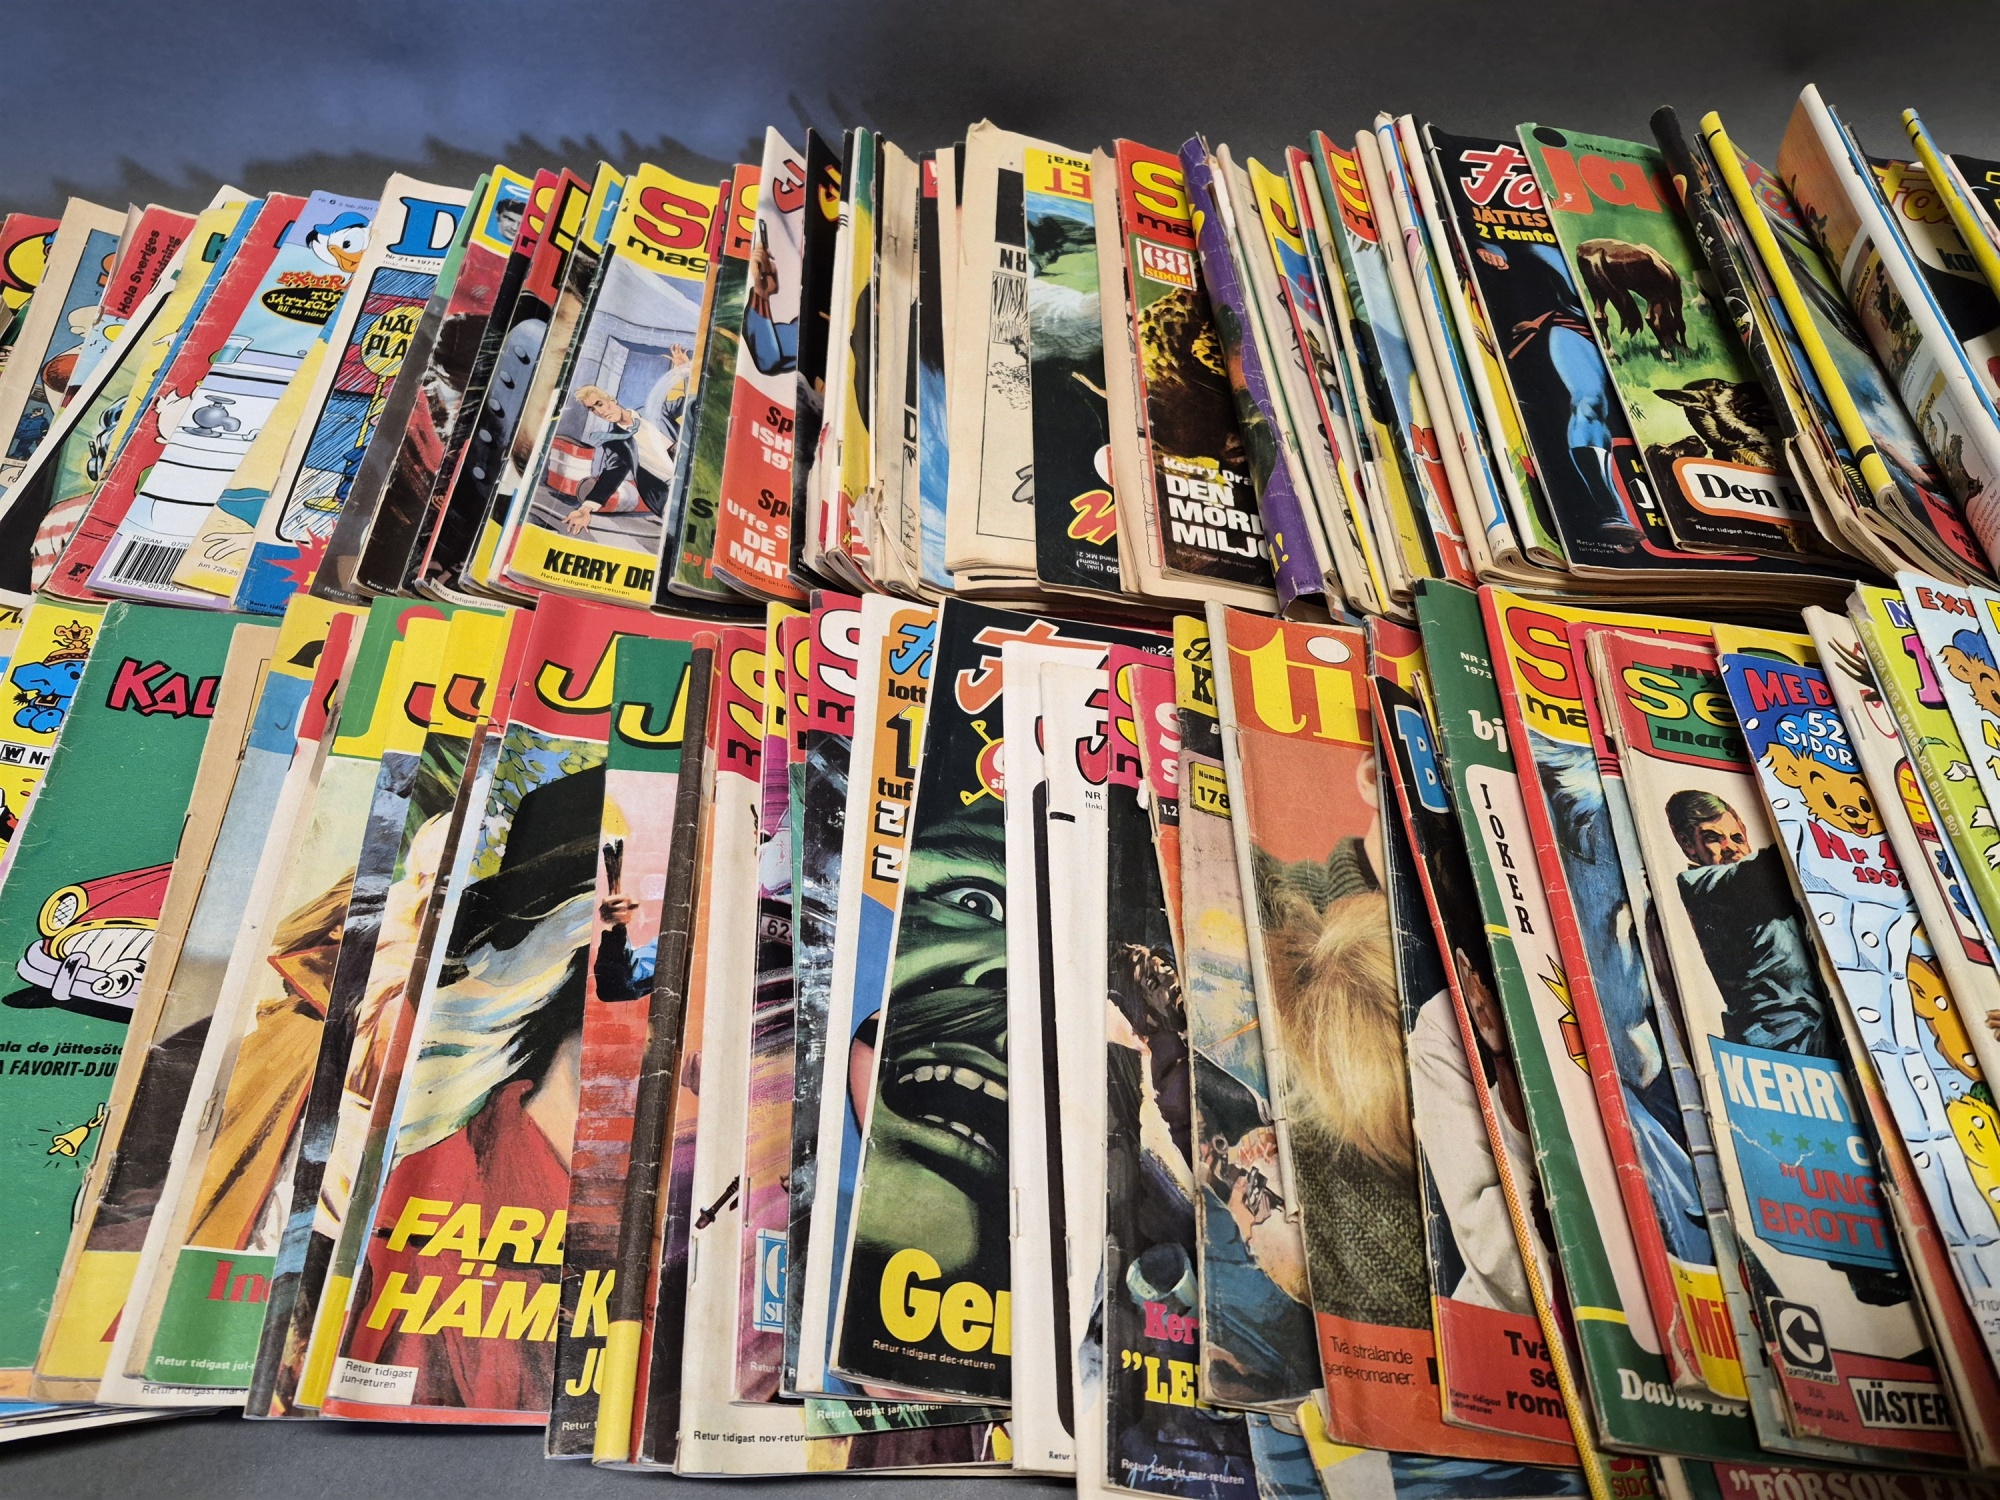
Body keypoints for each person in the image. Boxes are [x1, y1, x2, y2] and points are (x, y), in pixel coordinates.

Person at [1668, 788, 1833, 1056]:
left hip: (1818, 1027)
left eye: (1737, 838)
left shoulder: (1774, 889)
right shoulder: (1699, 886)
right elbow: (1749, 875)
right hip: (1782, 1038)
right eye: (1713, 838)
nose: (1730, 848)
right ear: (1688, 844)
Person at [560, 354, 691, 534]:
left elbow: (689, 403)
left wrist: (685, 371)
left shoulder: (654, 411)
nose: (599, 412)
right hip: (667, 493)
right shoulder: (615, 443)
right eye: (592, 409)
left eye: (599, 404)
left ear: (612, 400)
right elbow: (611, 475)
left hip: (692, 469)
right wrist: (585, 508)